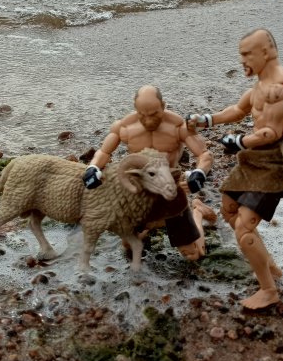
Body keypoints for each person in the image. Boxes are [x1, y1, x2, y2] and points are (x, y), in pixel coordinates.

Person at [188, 28, 283, 309]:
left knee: (244, 228)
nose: (242, 60)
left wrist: (239, 140)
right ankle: (270, 266)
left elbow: (271, 131)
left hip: (275, 163)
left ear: (266, 52)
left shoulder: (279, 87)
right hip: (255, 160)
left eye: (246, 54)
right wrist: (205, 119)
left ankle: (268, 290)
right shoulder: (259, 86)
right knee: (229, 207)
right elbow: (237, 110)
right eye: (240, 54)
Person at [83, 85, 216, 260]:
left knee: (193, 255)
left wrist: (199, 173)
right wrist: (92, 168)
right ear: (135, 109)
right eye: (142, 114)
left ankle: (197, 211)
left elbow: (204, 154)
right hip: (141, 191)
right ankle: (153, 224)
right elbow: (104, 152)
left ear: (163, 105)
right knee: (129, 247)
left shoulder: (177, 126)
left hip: (171, 191)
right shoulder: (124, 127)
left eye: (154, 114)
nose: (148, 120)